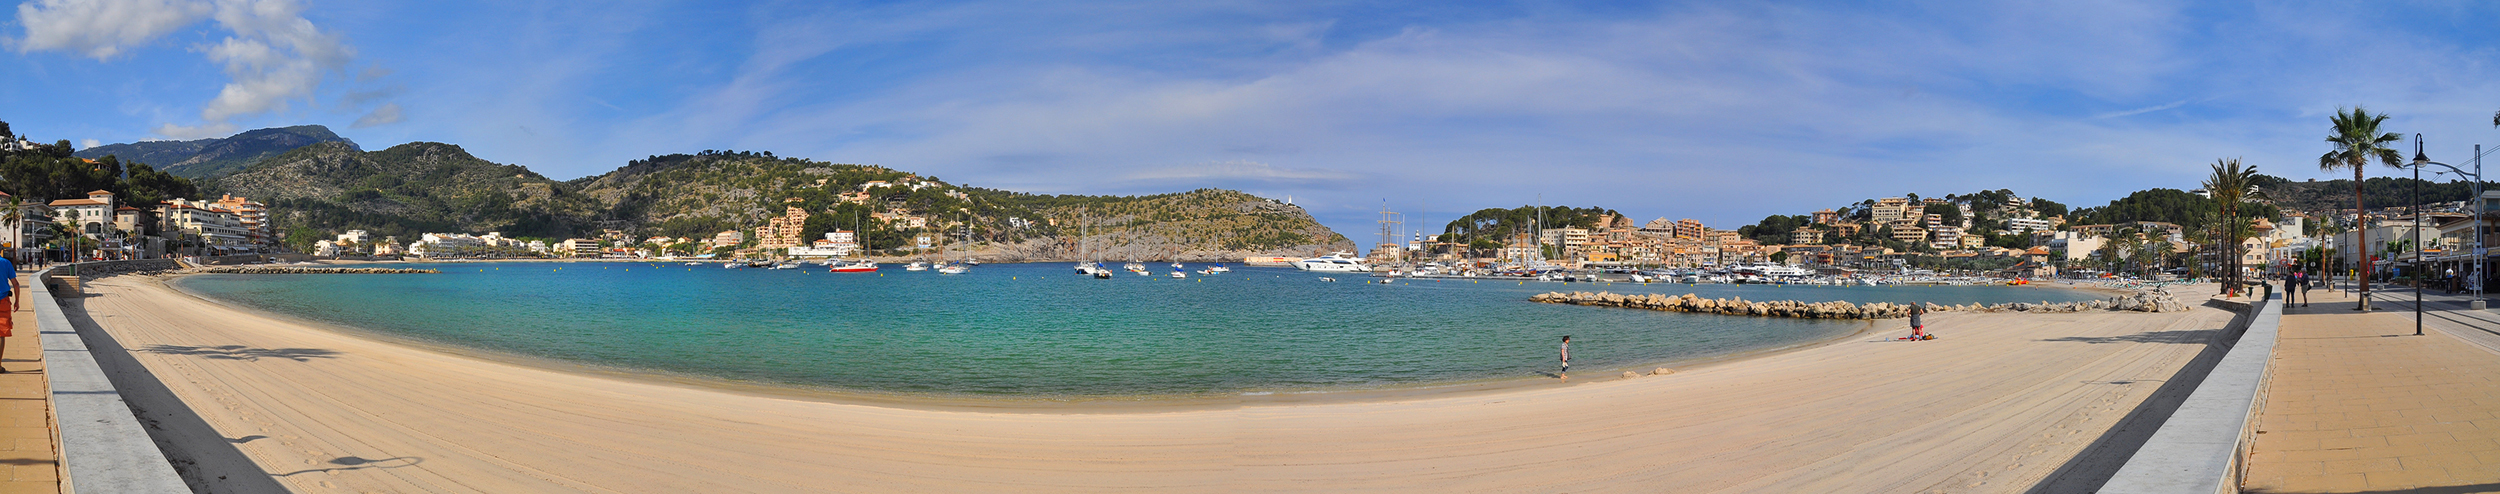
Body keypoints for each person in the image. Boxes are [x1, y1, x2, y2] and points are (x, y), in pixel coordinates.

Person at [0, 255, 17, 373]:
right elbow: (15, 284)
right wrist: (17, 301)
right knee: (1, 334)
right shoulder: (5, 263)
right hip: (3, 301)